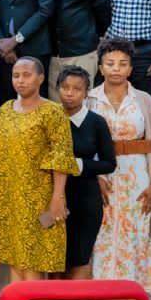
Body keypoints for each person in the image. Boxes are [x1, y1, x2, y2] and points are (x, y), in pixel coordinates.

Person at [0, 58, 80, 282]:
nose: (20, 80)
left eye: (27, 75)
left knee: (34, 260)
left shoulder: (53, 112)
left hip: (39, 196)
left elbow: (61, 157)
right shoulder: (5, 110)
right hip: (8, 197)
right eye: (16, 76)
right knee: (14, 259)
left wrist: (58, 197)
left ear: (41, 78)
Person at [88, 38, 151, 297]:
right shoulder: (89, 100)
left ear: (131, 69)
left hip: (138, 182)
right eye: (110, 63)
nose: (116, 68)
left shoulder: (144, 100)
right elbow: (79, 145)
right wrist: (95, 176)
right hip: (101, 181)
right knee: (101, 236)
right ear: (100, 68)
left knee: (137, 236)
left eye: (123, 64)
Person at [55, 67, 114, 279]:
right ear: (57, 88)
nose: (70, 93)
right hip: (52, 198)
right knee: (54, 260)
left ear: (86, 92)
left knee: (80, 258)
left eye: (77, 89)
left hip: (85, 200)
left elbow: (109, 163)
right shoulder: (48, 118)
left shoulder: (96, 122)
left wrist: (77, 165)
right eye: (65, 87)